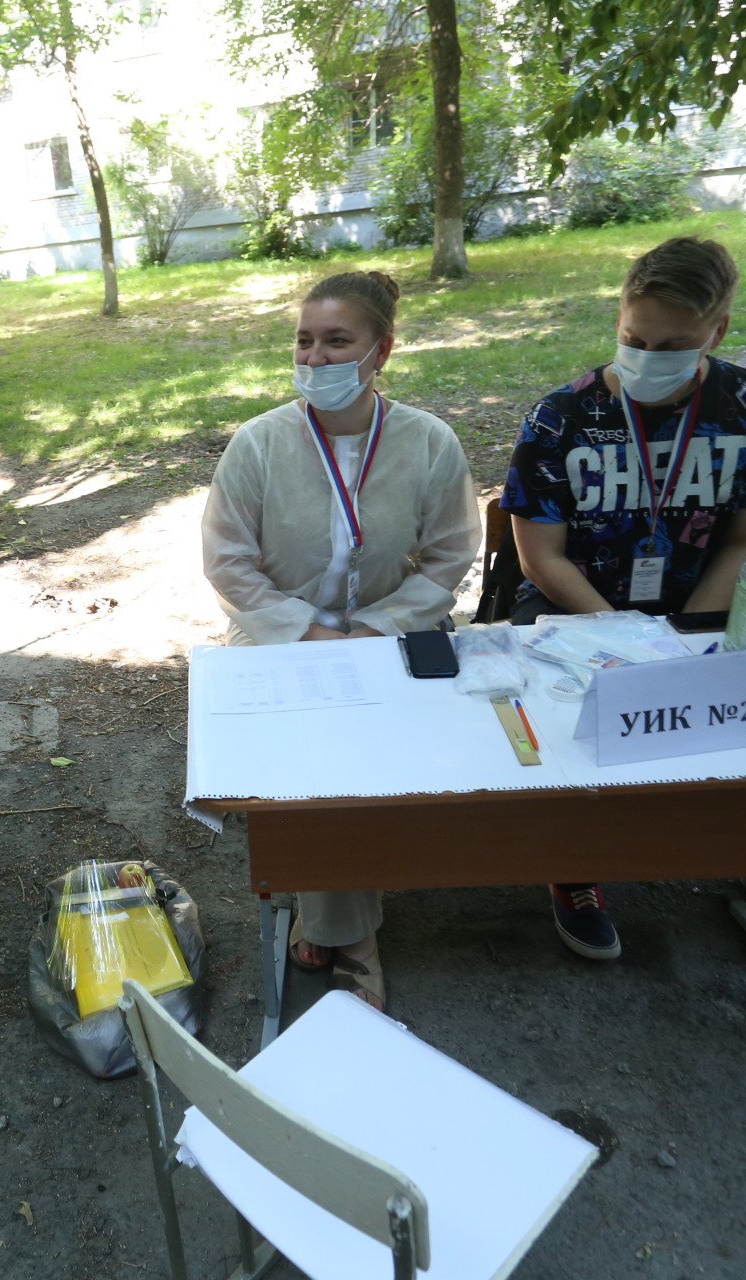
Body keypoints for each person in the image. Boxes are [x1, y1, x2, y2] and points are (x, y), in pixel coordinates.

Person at [501, 235, 746, 964]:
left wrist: (689, 634)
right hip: (577, 605)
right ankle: (575, 860)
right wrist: (626, 635)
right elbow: (541, 558)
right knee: (560, 708)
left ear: (717, 331)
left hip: (704, 601)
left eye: (673, 345)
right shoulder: (562, 417)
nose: (647, 358)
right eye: (634, 339)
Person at [202, 270, 481, 1010]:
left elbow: (450, 556)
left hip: (389, 628)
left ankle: (328, 912)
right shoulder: (260, 443)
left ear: (380, 351)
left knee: (365, 750)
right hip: (277, 634)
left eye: (336, 341)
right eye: (304, 341)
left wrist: (371, 630)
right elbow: (228, 563)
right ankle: (351, 933)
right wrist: (308, 631)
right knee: (320, 750)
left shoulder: (428, 442)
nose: (315, 358)